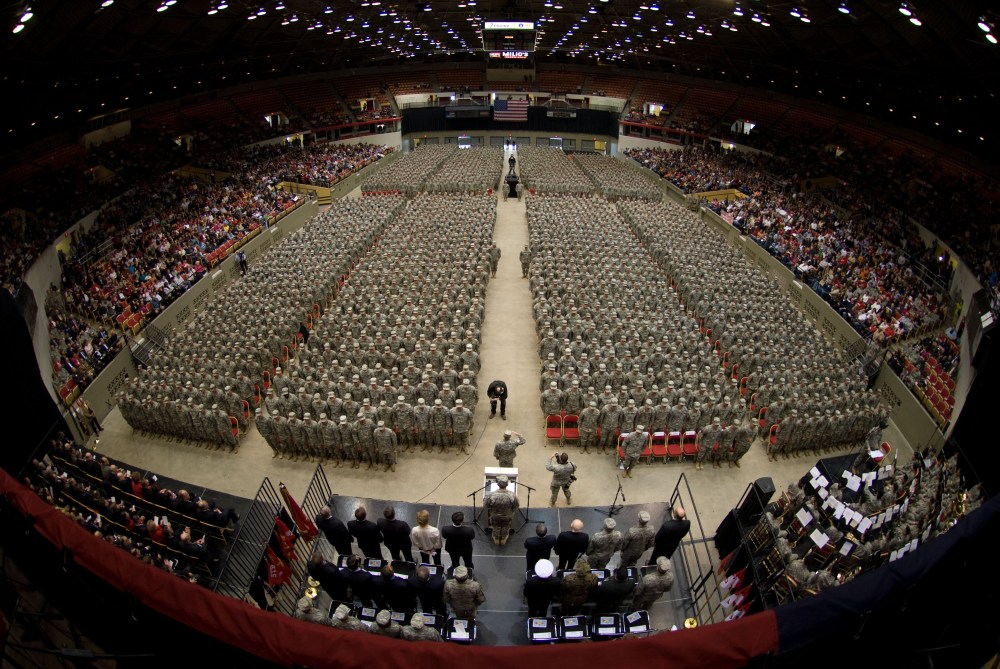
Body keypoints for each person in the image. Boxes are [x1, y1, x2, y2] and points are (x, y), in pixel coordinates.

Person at [485, 474, 519, 545]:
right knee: (505, 527)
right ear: (507, 484)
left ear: (498, 484)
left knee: (496, 527)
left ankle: (496, 539)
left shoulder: (491, 495)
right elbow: (516, 506)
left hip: (495, 516)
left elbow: (487, 505)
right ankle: (503, 539)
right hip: (507, 516)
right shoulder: (512, 495)